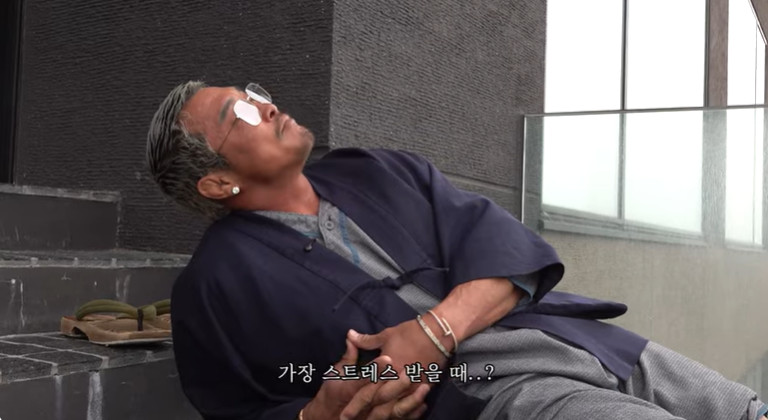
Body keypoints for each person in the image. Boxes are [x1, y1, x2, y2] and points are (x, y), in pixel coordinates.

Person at [146, 80, 767, 420]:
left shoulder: (375, 170)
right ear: (217, 182)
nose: (265, 105)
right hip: (492, 397)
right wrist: (318, 413)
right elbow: (237, 407)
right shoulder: (214, 284)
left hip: (576, 340)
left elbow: (504, 248)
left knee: (739, 407)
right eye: (239, 112)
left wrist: (432, 331)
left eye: (253, 93)